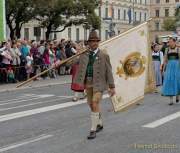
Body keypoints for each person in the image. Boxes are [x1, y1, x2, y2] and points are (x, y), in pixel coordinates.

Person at [54, 30, 115, 139]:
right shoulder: (83, 54)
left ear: (98, 42)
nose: (94, 43)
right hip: (88, 83)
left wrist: (112, 87)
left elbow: (109, 72)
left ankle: (93, 129)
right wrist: (59, 64)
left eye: (96, 41)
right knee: (91, 105)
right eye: (92, 41)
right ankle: (99, 122)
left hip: (99, 84)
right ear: (89, 43)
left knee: (95, 102)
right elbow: (72, 62)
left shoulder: (104, 55)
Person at [162, 37, 180, 105]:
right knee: (169, 81)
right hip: (169, 66)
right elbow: (165, 60)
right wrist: (163, 69)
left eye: (171, 41)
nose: (170, 43)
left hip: (177, 66)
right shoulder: (167, 49)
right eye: (169, 42)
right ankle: (171, 100)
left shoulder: (178, 49)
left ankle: (177, 95)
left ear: (174, 42)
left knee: (177, 81)